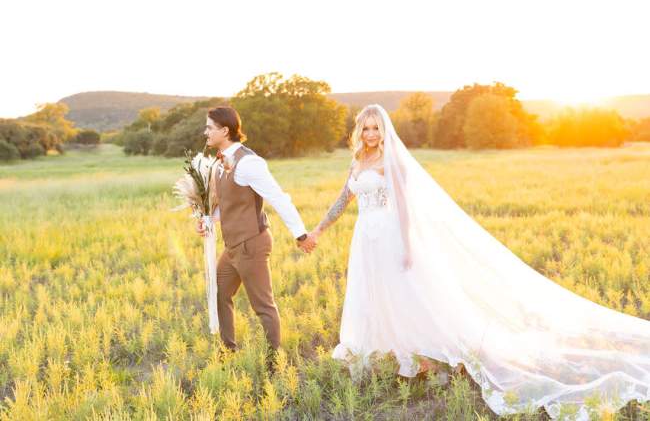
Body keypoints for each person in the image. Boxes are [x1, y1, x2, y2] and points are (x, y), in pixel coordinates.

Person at [309, 103, 650, 420]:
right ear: (360, 131)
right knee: (374, 295)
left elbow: (404, 208)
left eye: (376, 128)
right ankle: (387, 352)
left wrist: (408, 247)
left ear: (384, 130)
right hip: (364, 239)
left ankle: (427, 357)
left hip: (389, 236)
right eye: (366, 128)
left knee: (407, 297)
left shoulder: (392, 163)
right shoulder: (356, 161)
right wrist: (318, 230)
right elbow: (343, 199)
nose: (371, 134)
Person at [196, 106, 317, 364]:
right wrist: (208, 220)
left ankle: (274, 362)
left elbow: (278, 197)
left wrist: (301, 234)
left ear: (224, 130)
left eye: (209, 127)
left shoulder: (249, 162)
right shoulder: (219, 162)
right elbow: (230, 204)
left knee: (263, 306)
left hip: (252, 243)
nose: (204, 131)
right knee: (218, 293)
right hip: (232, 247)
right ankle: (227, 352)